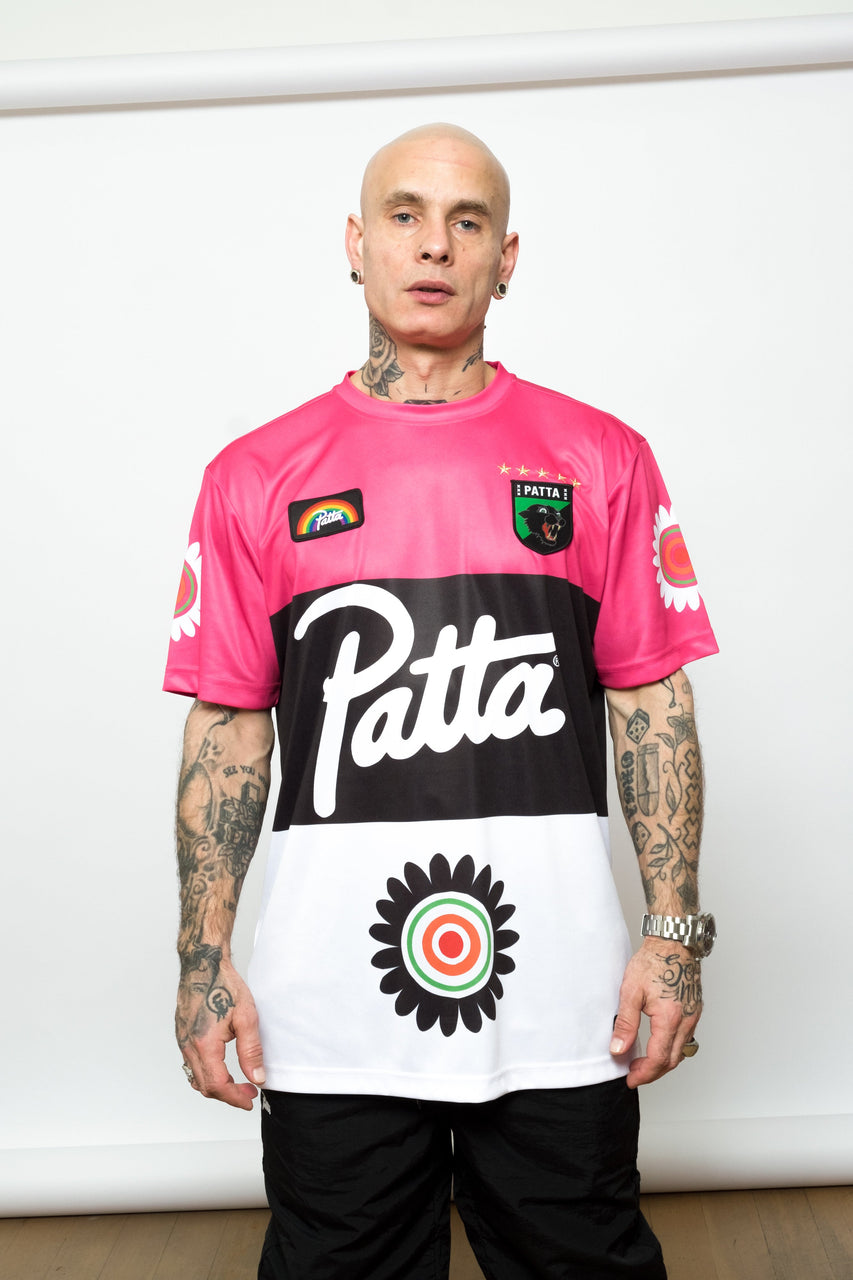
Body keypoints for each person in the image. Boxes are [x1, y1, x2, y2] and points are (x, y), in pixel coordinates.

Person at [165, 123, 718, 1280]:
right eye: (405, 215)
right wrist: (201, 956)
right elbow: (228, 726)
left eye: (467, 222)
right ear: (354, 243)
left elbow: (650, 703)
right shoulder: (253, 475)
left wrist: (671, 936)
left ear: (505, 258)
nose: (433, 245)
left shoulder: (602, 457)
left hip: (561, 1002)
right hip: (330, 1009)